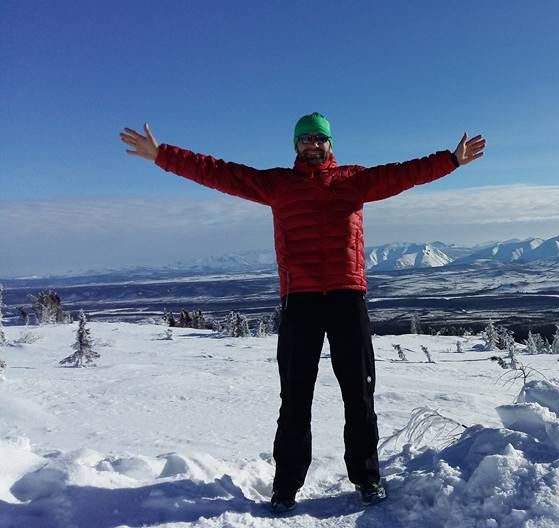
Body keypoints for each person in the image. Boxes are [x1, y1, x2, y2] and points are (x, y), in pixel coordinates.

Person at [119, 114, 485, 512]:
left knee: (359, 396)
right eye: (305, 139)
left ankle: (367, 478)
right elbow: (219, 173)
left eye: (319, 138)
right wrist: (163, 155)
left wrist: (450, 160)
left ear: (330, 144)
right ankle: (285, 487)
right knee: (295, 400)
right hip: (300, 303)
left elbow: (401, 174)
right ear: (295, 146)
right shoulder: (278, 185)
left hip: (348, 298)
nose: (313, 144)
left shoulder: (353, 180)